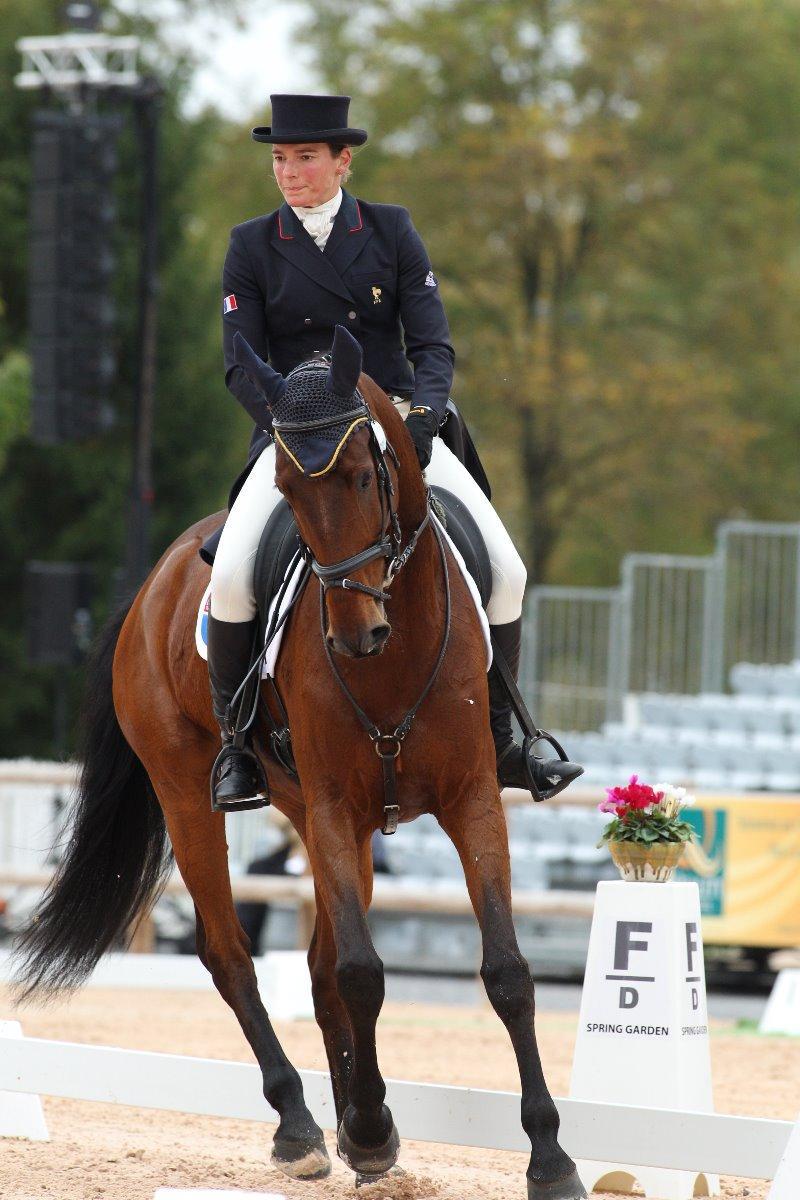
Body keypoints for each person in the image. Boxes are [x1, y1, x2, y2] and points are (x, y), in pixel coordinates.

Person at [208, 93, 582, 809]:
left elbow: (432, 343)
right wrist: (292, 420)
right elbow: (240, 363)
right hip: (300, 439)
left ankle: (507, 740)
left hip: (396, 427)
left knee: (506, 569)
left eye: (304, 158)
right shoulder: (250, 245)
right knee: (229, 578)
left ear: (342, 160)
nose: (289, 173)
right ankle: (238, 748)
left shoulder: (390, 230)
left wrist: (427, 415)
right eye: (281, 160)